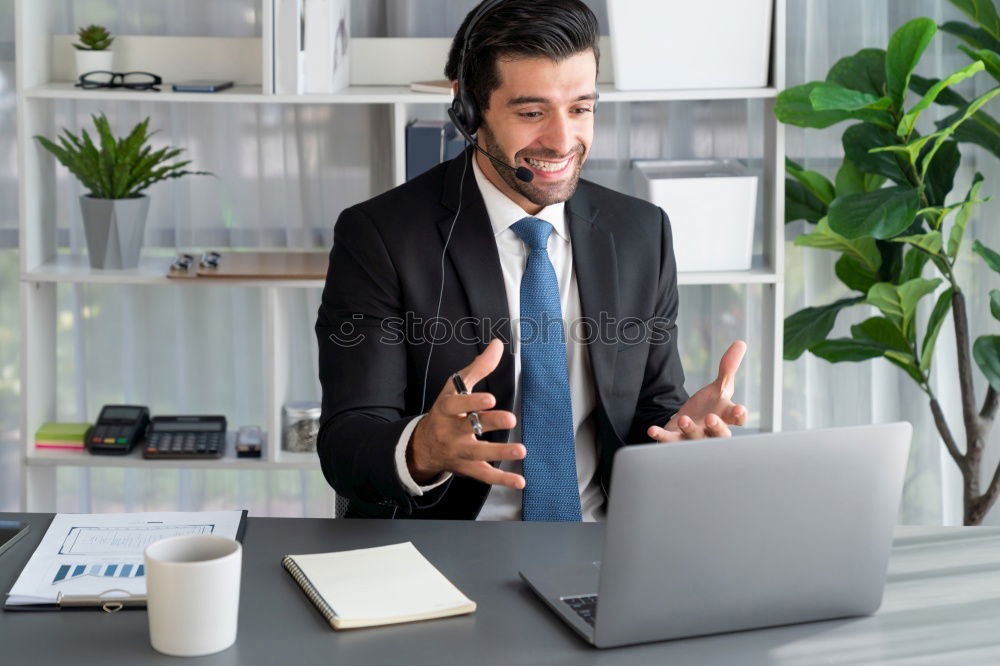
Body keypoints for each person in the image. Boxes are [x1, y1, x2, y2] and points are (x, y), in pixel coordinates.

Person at [314, 0, 747, 521]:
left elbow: (645, 409)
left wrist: (676, 431)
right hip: (449, 545)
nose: (563, 141)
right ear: (469, 111)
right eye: (532, 112)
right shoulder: (381, 236)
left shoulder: (640, 232)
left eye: (581, 108)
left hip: (604, 541)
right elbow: (348, 442)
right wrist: (424, 448)